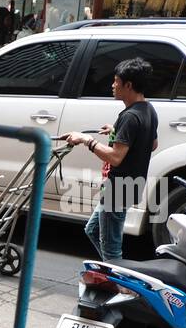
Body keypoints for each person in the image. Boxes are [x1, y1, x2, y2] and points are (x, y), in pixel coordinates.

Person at [65, 57, 159, 262]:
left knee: (111, 249)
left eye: (116, 81)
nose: (113, 85)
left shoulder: (130, 117)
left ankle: (120, 286)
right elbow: (152, 144)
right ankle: (113, 275)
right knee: (92, 230)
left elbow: (116, 158)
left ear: (129, 85)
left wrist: (87, 140)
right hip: (131, 185)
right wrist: (117, 132)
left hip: (118, 188)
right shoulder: (148, 110)